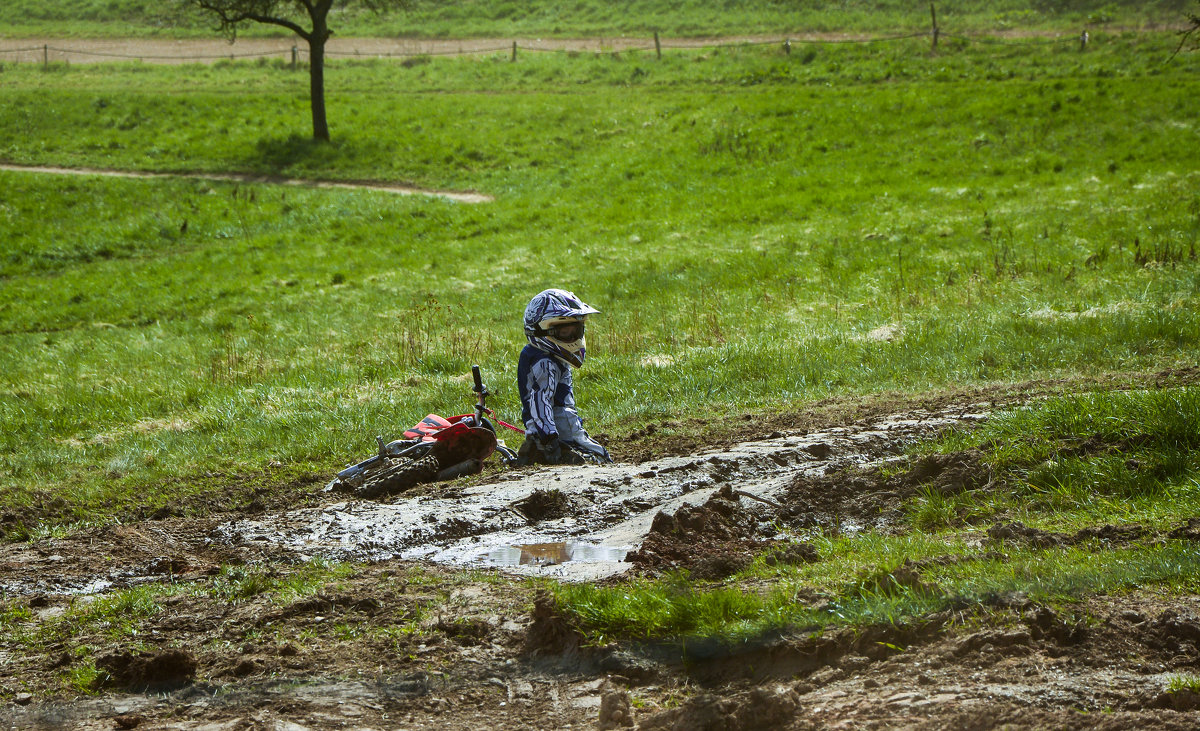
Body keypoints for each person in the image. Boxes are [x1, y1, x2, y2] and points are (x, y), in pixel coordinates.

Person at [516, 288, 613, 466]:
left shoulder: (548, 357)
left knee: (600, 456)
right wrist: (549, 439)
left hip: (554, 430)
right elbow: (540, 399)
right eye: (566, 332)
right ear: (546, 331)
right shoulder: (545, 362)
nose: (574, 337)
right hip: (559, 433)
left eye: (576, 330)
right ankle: (545, 454)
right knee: (601, 458)